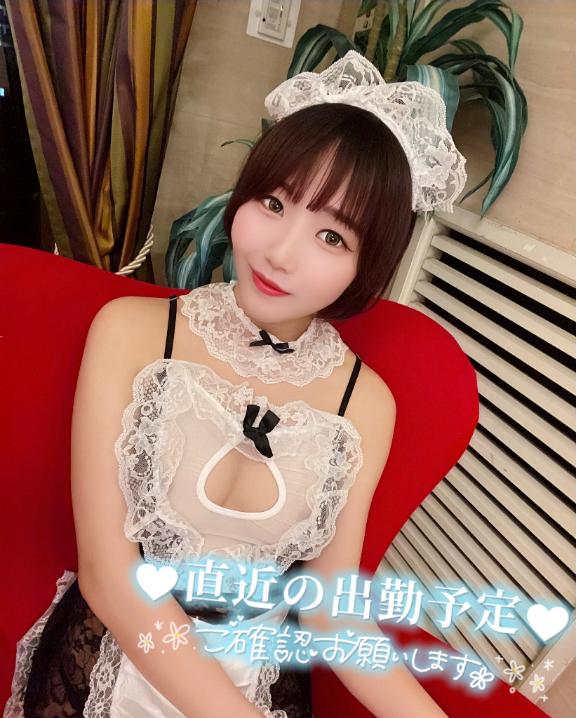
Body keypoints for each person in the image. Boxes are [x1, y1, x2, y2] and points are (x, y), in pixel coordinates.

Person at [4, 51, 466, 718]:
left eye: (332, 236)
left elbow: (331, 609)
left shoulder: (364, 403)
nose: (280, 252)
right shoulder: (132, 332)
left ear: (369, 265)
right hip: (112, 664)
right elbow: (109, 576)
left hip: (257, 681)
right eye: (273, 202)